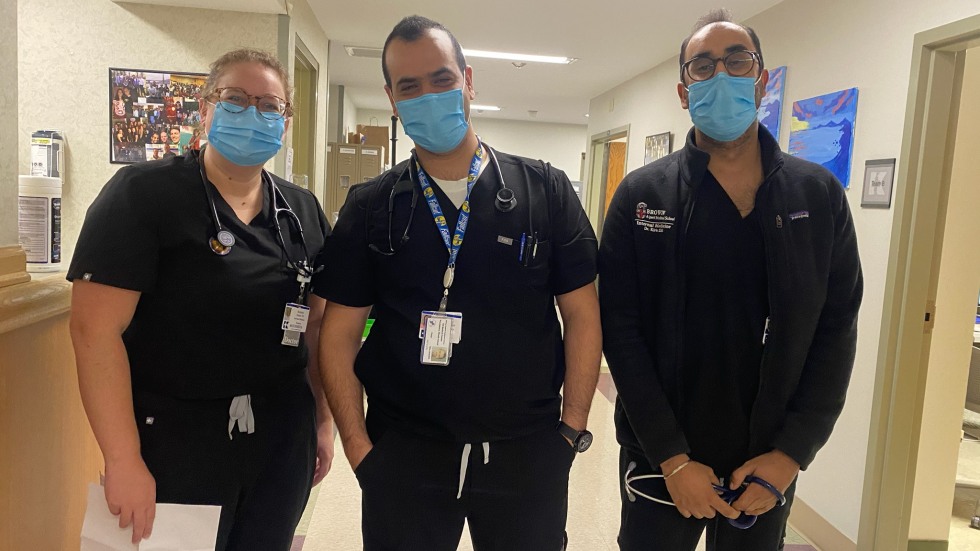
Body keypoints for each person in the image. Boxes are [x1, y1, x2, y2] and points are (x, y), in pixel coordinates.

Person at [319, 15, 602, 551]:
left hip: (527, 453)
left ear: (468, 82)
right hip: (405, 454)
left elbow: (584, 315)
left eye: (442, 79)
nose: (427, 95)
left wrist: (570, 431)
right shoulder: (372, 205)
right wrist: (359, 448)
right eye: (409, 87)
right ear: (392, 98)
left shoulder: (545, 190)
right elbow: (337, 335)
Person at [598, 9, 863, 550]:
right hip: (660, 457)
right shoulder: (642, 196)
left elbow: (836, 330)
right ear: (682, 90)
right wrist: (672, 459)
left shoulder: (817, 197)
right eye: (703, 66)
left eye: (736, 61)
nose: (720, 75)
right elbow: (621, 331)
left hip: (764, 464)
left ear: (761, 80)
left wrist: (791, 455)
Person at [69, 48, 334, 551]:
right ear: (206, 108)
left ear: (285, 120)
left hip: (281, 439)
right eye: (236, 98)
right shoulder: (143, 195)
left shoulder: (301, 210)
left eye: (270, 106)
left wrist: (323, 422)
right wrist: (123, 460)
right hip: (175, 440)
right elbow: (93, 333)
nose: (254, 114)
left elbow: (316, 326)